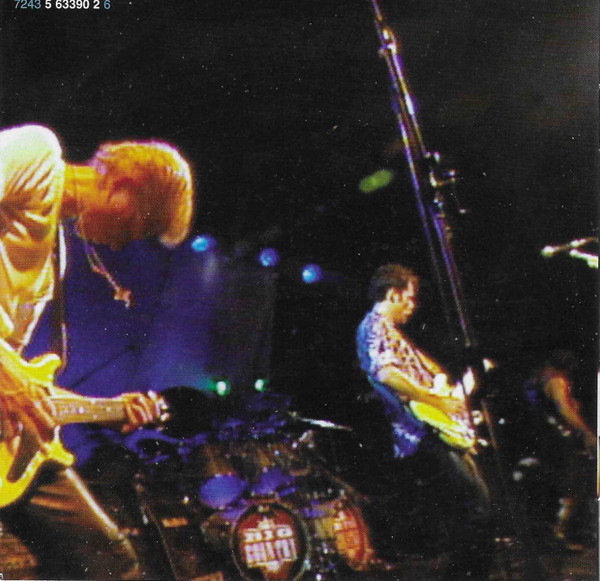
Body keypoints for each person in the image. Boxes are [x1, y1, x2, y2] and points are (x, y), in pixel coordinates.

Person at [0, 124, 194, 578]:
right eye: (139, 225)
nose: (126, 242)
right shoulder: (35, 154)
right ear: (123, 184)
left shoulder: (56, 255)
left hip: (12, 447)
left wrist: (106, 411)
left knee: (110, 566)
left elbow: (23, 384)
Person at [356, 264, 494, 580]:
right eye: (409, 297)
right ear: (393, 294)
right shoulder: (374, 326)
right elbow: (385, 373)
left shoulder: (391, 333)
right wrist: (439, 402)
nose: (413, 305)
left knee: (471, 510)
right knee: (476, 508)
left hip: (435, 431)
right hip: (422, 434)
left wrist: (444, 390)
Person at [523, 351, 597, 549]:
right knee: (571, 486)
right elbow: (563, 409)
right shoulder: (556, 381)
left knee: (559, 485)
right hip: (559, 439)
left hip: (544, 438)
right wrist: (586, 433)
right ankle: (559, 533)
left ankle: (554, 534)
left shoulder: (536, 380)